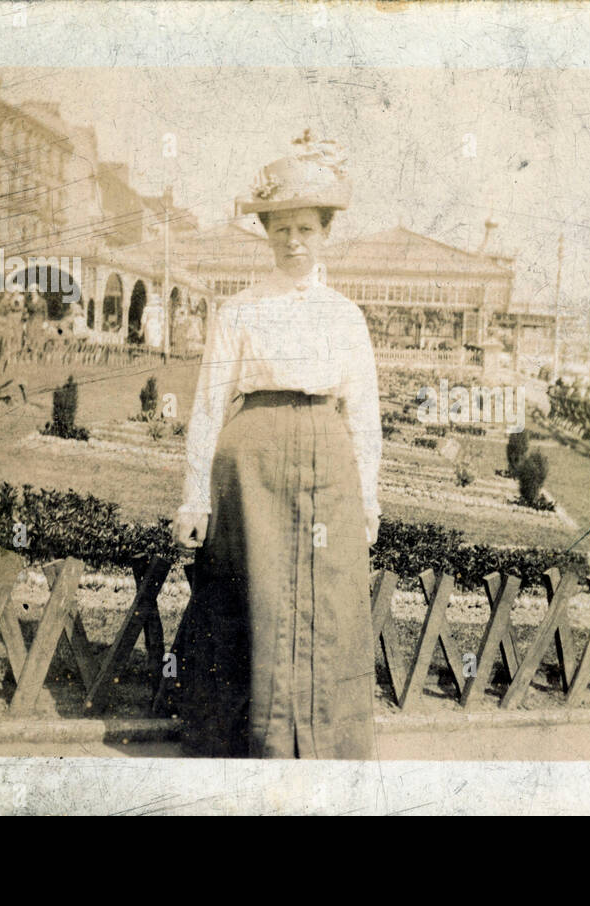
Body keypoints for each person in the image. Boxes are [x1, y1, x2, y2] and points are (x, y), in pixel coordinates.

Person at [170, 132, 381, 759]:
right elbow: (210, 404)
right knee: (250, 594)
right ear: (266, 232)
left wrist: (368, 498)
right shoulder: (239, 309)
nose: (293, 240)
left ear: (324, 233)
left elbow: (364, 413)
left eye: (305, 229)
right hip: (252, 464)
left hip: (327, 462)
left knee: (330, 600)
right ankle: (249, 741)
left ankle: (323, 744)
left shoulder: (346, 315)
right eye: (280, 228)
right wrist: (193, 499)